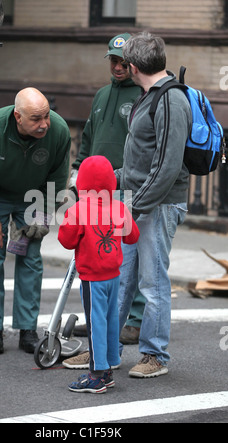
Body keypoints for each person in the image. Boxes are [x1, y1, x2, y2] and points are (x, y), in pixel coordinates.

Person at [64, 33, 145, 367]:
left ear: (132, 63)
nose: (117, 66)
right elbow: (88, 137)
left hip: (124, 183)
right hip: (94, 187)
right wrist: (76, 170)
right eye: (112, 60)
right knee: (101, 249)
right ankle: (100, 315)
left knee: (126, 253)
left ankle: (133, 319)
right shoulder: (99, 95)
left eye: (123, 61)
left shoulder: (142, 95)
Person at [0, 87, 71, 355]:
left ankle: (27, 328)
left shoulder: (58, 131)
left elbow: (59, 176)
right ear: (18, 116)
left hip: (32, 197)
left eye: (46, 116)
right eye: (36, 119)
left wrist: (45, 212)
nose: (44, 124)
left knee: (31, 259)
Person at [115, 31, 192, 377]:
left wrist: (134, 206)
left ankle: (155, 356)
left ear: (133, 66)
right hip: (138, 201)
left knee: (153, 282)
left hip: (158, 206)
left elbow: (167, 166)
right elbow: (143, 159)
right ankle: (105, 350)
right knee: (120, 279)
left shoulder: (171, 100)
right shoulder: (150, 95)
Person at [58, 156, 139, 393]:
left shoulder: (78, 209)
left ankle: (97, 375)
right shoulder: (119, 206)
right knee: (112, 321)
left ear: (82, 182)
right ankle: (110, 367)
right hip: (114, 276)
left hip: (93, 279)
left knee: (96, 324)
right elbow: (132, 237)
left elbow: (66, 240)